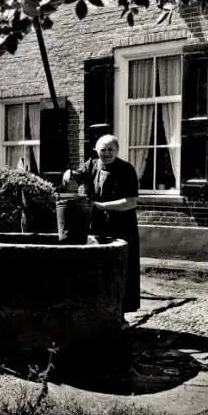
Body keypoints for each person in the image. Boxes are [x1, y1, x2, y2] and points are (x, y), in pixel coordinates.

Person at [62, 134, 140, 326]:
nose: (106, 153)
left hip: (122, 227)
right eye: (102, 150)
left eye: (110, 149)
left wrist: (100, 206)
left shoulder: (126, 170)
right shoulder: (92, 165)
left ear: (117, 150)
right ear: (96, 151)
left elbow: (130, 202)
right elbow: (75, 176)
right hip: (97, 226)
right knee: (97, 269)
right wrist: (68, 174)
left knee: (120, 271)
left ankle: (119, 316)